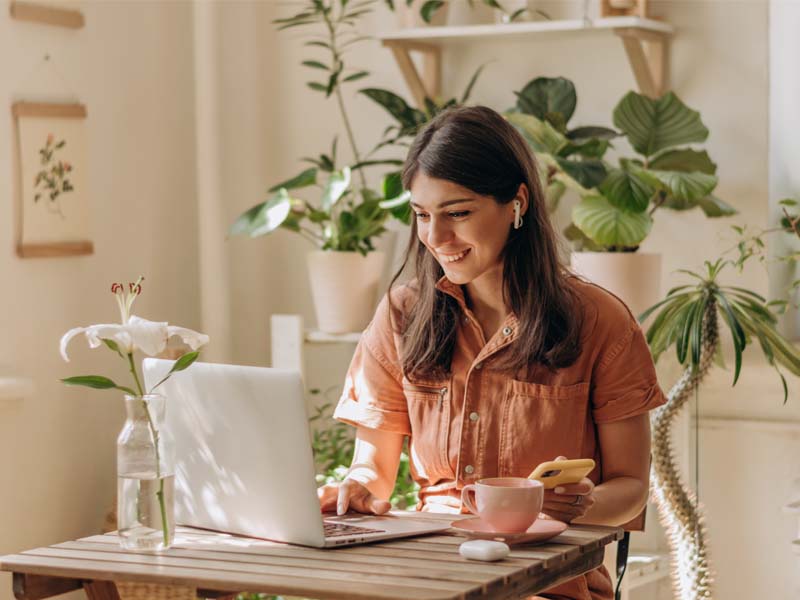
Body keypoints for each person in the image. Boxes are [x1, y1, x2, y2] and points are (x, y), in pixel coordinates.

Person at [317, 105, 667, 599]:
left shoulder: (600, 321)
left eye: (458, 213)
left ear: (517, 203)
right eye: (422, 215)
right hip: (426, 574)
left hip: (547, 582)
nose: (436, 238)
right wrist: (355, 489)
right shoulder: (403, 313)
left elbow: (631, 484)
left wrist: (581, 504)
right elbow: (372, 470)